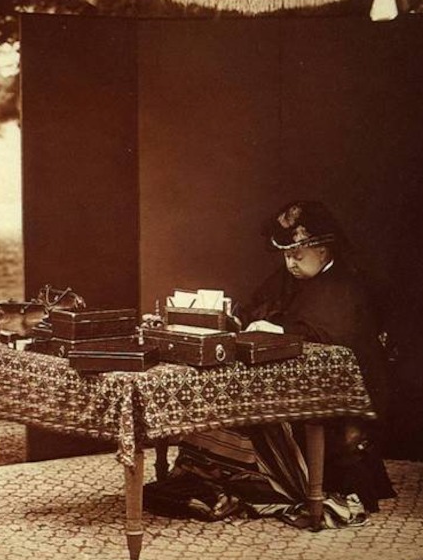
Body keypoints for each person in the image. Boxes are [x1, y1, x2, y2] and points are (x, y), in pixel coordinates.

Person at [144, 200, 395, 527]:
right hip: (283, 385)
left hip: (328, 406)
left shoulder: (346, 286)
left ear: (322, 251)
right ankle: (215, 474)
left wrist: (281, 331)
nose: (290, 263)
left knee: (252, 418)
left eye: (297, 256)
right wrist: (230, 318)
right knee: (222, 403)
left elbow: (331, 337)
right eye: (286, 256)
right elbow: (256, 308)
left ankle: (272, 478)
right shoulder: (288, 277)